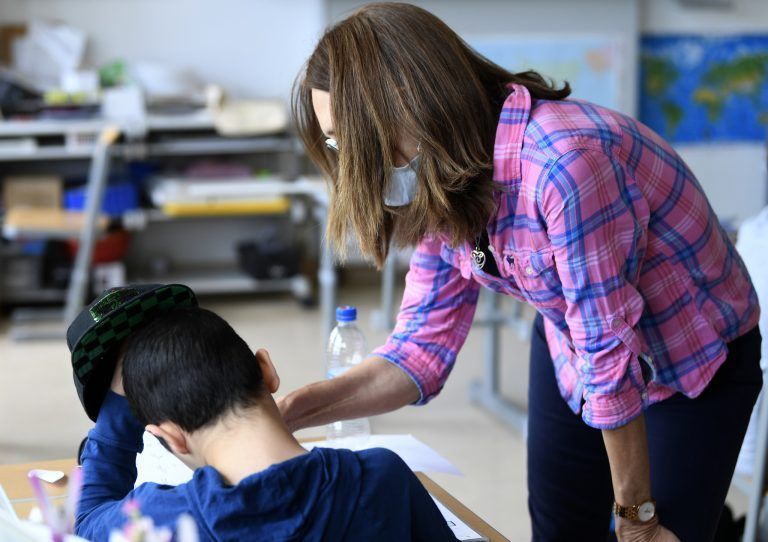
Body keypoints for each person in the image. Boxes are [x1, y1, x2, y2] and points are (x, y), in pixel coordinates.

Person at [281, 3, 762, 541]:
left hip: (688, 361)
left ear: (412, 104)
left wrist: (637, 517)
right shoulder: (441, 177)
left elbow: (608, 348)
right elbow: (417, 352)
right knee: (559, 528)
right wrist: (292, 411)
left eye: (354, 138)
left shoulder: (564, 164)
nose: (351, 161)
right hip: (572, 343)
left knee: (657, 532)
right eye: (336, 143)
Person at [67, 284, 457, 542]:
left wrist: (120, 403)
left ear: (169, 436)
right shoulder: (383, 479)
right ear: (267, 370)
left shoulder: (163, 521)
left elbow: (86, 520)